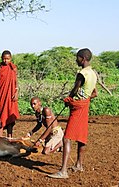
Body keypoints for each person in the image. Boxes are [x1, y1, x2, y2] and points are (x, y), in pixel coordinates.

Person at [48, 48, 98, 179]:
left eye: (77, 58)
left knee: (67, 138)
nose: (76, 60)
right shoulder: (93, 74)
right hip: (85, 106)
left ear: (83, 59)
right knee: (81, 137)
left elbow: (75, 90)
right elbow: (94, 93)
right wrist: (84, 99)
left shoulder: (82, 73)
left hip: (77, 108)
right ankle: (79, 165)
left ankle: (63, 171)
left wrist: (69, 100)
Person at [0, 50, 20, 138]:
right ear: (1, 58)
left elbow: (16, 82)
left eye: (7, 59)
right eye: (4, 59)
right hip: (2, 96)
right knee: (1, 115)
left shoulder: (13, 68)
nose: (5, 61)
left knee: (10, 115)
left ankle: (9, 138)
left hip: (11, 96)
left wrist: (16, 92)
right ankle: (0, 138)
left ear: (10, 59)